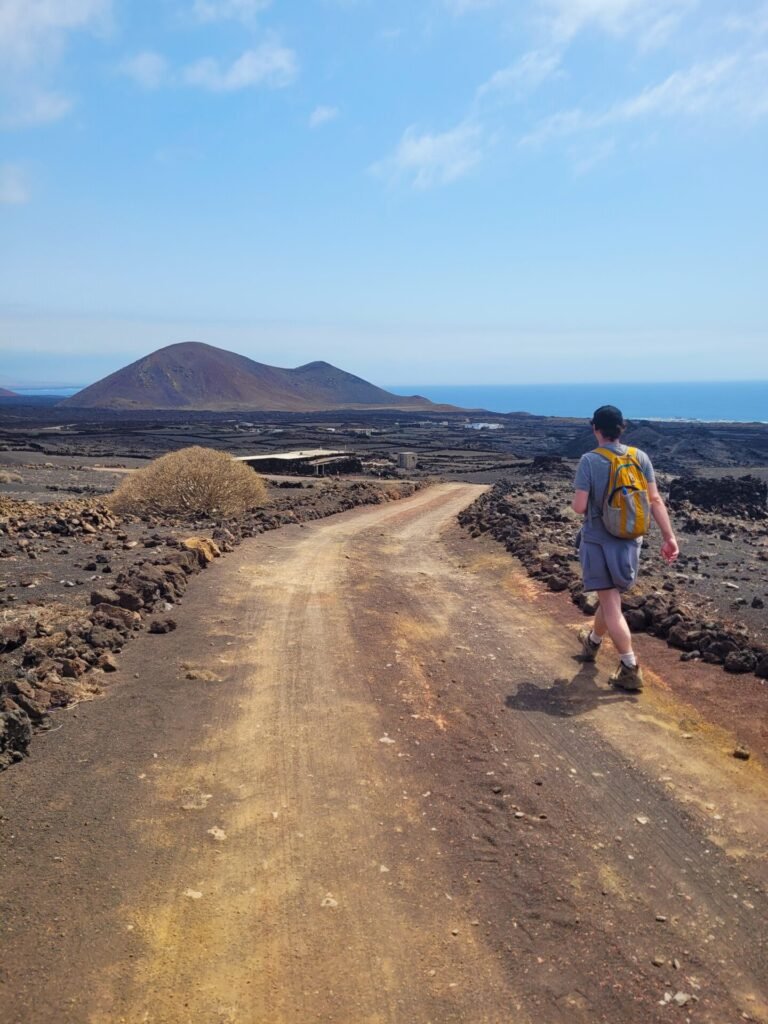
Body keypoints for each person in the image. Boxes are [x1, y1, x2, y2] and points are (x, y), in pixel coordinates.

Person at [572, 405, 679, 691]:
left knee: (609, 604)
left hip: (598, 542)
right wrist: (669, 537)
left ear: (595, 428)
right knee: (611, 600)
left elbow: (579, 506)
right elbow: (655, 500)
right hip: (631, 542)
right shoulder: (639, 457)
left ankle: (630, 666)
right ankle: (592, 642)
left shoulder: (589, 461)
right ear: (622, 428)